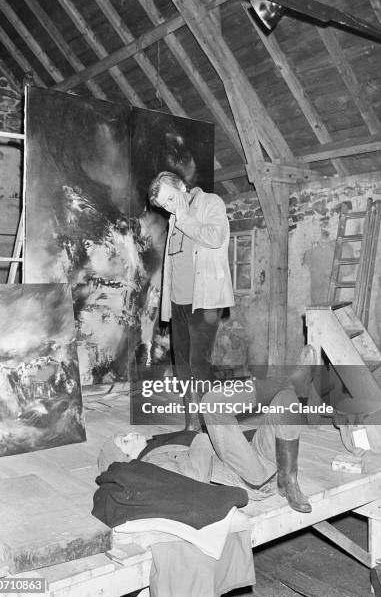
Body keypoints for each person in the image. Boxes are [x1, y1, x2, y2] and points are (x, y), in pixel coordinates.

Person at [99, 345, 317, 513]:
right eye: (125, 441)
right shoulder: (151, 463)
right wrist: (201, 439)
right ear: (126, 457)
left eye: (125, 434)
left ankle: (288, 480)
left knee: (285, 400)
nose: (131, 434)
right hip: (246, 477)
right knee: (211, 402)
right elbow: (196, 477)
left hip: (263, 464)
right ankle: (289, 381)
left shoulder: (159, 443)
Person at [148, 171, 234, 431]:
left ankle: (213, 428)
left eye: (171, 199)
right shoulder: (175, 217)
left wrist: (184, 218)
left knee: (199, 364)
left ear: (183, 187)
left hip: (205, 300)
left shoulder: (210, 203)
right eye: (164, 205)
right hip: (178, 303)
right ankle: (192, 425)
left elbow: (215, 237)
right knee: (182, 366)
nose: (169, 207)